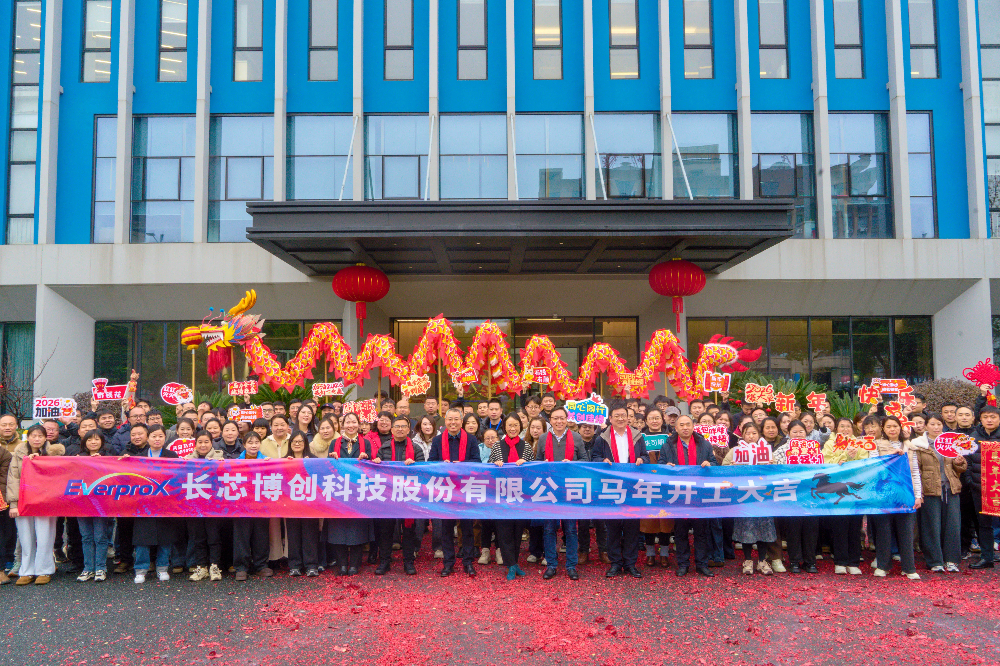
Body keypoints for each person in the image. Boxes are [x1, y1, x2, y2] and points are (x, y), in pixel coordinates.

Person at [592, 404, 649, 579]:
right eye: (616, 415)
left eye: (623, 415)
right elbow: (594, 458)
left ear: (628, 417)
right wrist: (602, 461)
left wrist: (642, 459)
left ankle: (630, 564)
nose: (621, 418)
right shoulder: (602, 438)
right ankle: (615, 563)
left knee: (632, 528)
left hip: (632, 487)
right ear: (610, 418)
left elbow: (646, 456)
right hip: (611, 487)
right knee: (613, 528)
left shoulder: (637, 436)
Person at [7, 424, 64, 585]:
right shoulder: (19, 454)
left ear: (45, 438)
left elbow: (58, 475)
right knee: (26, 537)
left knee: (45, 536)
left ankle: (44, 570)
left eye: (40, 436)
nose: (37, 439)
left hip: (46, 501)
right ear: (28, 437)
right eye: (34, 436)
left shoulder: (53, 454)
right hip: (24, 500)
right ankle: (27, 570)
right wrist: (13, 504)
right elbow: (13, 478)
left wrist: (40, 460)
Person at [660, 415, 716, 577]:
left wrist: (710, 464)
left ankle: (702, 564)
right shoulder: (668, 445)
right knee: (680, 532)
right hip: (678, 495)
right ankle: (683, 564)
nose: (685, 427)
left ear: (693, 426)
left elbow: (714, 462)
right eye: (681, 425)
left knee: (701, 532)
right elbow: (660, 464)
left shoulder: (704, 444)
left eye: (688, 424)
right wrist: (666, 466)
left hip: (699, 494)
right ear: (676, 428)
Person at [428, 408, 482, 577]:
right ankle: (448, 563)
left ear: (461, 421)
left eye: (456, 419)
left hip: (465, 488)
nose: (453, 422)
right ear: (445, 421)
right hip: (445, 489)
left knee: (467, 527)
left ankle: (468, 562)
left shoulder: (471, 439)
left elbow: (477, 461)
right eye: (450, 419)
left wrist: (463, 465)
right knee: (446, 528)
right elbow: (431, 462)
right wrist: (441, 465)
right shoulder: (437, 440)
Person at [537, 407, 587, 581]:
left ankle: (571, 565)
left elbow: (585, 461)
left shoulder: (576, 437)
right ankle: (551, 564)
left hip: (569, 489)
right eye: (555, 418)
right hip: (550, 489)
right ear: (550, 420)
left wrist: (572, 464)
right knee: (549, 529)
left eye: (562, 418)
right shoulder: (543, 438)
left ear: (567, 419)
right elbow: (537, 462)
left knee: (571, 529)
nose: (559, 421)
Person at [912, 413, 966, 573]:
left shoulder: (951, 442)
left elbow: (961, 469)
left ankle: (951, 560)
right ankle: (934, 561)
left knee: (953, 526)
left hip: (950, 488)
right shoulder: (919, 445)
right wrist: (919, 492)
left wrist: (959, 462)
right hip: (930, 489)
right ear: (926, 426)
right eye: (932, 424)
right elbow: (915, 469)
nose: (936, 427)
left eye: (939, 424)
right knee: (931, 526)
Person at [371, 416, 425, 576]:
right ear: (392, 430)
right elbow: (378, 472)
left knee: (408, 531)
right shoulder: (384, 448)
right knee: (386, 530)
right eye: (397, 426)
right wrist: (377, 462)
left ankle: (408, 562)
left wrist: (414, 465)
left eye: (403, 426)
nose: (400, 429)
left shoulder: (416, 448)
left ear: (408, 429)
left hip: (408, 495)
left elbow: (423, 471)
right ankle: (384, 562)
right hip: (388, 494)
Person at [722, 422, 777, 575]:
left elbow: (777, 471)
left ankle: (762, 560)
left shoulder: (766, 450)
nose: (751, 436)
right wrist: (732, 467)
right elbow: (723, 469)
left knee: (764, 528)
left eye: (754, 433)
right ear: (743, 435)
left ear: (759, 434)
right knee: (746, 528)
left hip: (763, 495)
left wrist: (771, 465)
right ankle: (747, 560)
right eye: (748, 433)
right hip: (744, 495)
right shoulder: (735, 451)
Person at [871, 416, 922, 580]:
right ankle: (883, 566)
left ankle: (909, 568)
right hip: (883, 495)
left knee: (906, 532)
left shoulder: (909, 446)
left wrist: (918, 496)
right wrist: (890, 456)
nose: (892, 429)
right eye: (888, 426)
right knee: (883, 531)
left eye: (895, 426)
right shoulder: (876, 445)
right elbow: (872, 467)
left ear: (900, 427)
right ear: (883, 429)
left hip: (906, 494)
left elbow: (915, 472)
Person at [128, 425, 178, 584]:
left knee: (165, 537)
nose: (157, 439)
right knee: (142, 538)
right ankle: (140, 569)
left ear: (165, 438)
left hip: (165, 503)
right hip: (144, 503)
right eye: (154, 436)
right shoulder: (139, 457)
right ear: (147, 438)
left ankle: (162, 568)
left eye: (160, 436)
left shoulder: (172, 456)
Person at [489, 414, 533, 581]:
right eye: (509, 425)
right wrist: (495, 465)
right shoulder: (497, 446)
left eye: (516, 425)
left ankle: (514, 563)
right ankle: (511, 565)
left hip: (520, 496)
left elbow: (533, 470)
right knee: (504, 531)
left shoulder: (526, 446)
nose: (513, 428)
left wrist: (525, 464)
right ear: (504, 427)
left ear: (520, 426)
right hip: (502, 496)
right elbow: (489, 469)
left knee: (518, 531)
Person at [822, 417, 867, 575]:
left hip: (855, 490)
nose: (845, 429)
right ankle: (840, 561)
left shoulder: (860, 443)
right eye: (842, 426)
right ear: (836, 429)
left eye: (848, 426)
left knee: (855, 526)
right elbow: (826, 462)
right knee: (839, 526)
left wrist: (853, 458)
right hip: (837, 490)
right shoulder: (830, 443)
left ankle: (854, 561)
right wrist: (844, 456)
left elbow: (866, 463)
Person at [774, 421, 819, 574]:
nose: (798, 434)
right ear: (788, 433)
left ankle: (810, 561)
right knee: (793, 529)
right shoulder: (782, 449)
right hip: (791, 494)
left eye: (801, 431)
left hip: (810, 494)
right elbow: (776, 469)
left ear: (806, 432)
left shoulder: (814, 447)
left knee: (811, 529)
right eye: (794, 432)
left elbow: (822, 468)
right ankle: (794, 561)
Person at [233, 432, 273, 580]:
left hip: (261, 505)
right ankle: (241, 567)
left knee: (261, 535)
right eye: (250, 442)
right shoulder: (236, 462)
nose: (253, 445)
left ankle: (261, 565)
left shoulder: (268, 461)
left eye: (256, 442)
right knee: (241, 536)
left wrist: (271, 465)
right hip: (241, 505)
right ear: (244, 445)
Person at [186, 432, 224, 581]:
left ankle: (215, 566)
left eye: (206, 442)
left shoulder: (220, 457)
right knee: (198, 538)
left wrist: (221, 464)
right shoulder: (188, 459)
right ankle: (201, 567)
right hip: (194, 506)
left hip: (214, 506)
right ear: (195, 443)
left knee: (214, 537)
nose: (203, 445)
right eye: (200, 442)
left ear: (212, 443)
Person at [73, 430, 110, 582]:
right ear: (84, 442)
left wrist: (102, 462)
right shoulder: (77, 458)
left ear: (102, 442)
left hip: (101, 503)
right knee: (86, 537)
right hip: (82, 503)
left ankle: (101, 568)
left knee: (100, 536)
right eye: (89, 440)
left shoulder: (109, 458)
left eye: (96, 439)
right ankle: (88, 568)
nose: (93, 442)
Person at [966, 405, 1000, 569]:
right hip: (980, 488)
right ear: (980, 419)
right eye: (986, 417)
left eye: (993, 417)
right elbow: (967, 461)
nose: (989, 420)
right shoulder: (973, 436)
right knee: (984, 524)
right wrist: (970, 480)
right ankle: (987, 558)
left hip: (998, 487)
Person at [283, 431, 320, 577]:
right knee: (293, 535)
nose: (297, 444)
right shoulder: (284, 460)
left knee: (310, 534)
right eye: (294, 441)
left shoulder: (314, 460)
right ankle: (295, 565)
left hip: (310, 505)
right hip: (290, 505)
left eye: (300, 441)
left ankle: (311, 565)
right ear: (290, 443)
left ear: (305, 444)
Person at [640, 408, 673, 568]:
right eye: (651, 418)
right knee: (649, 519)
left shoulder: (670, 437)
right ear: (646, 421)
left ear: (663, 419)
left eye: (657, 418)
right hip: (647, 483)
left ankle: (665, 553)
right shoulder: (640, 438)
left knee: (666, 519)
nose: (654, 421)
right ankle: (650, 553)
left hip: (666, 483)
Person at [575, 421, 608, 564]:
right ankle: (583, 550)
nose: (587, 429)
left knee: (601, 522)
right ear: (579, 428)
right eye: (584, 427)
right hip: (580, 486)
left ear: (595, 429)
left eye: (590, 427)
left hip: (598, 486)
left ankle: (604, 550)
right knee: (582, 523)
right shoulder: (575, 442)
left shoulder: (601, 441)